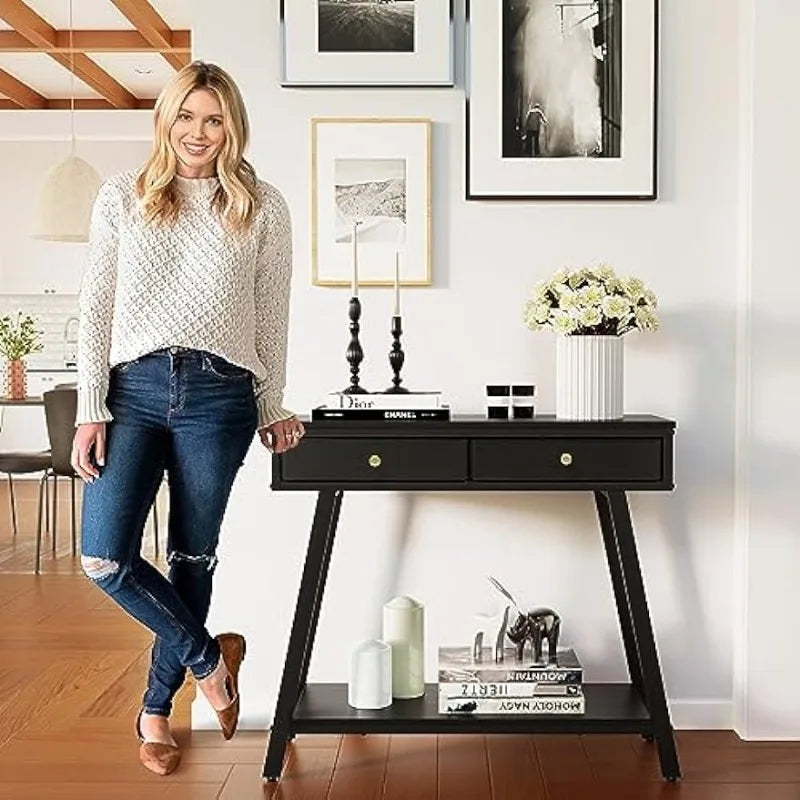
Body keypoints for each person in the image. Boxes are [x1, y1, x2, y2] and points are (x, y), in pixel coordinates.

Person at [71, 60, 305, 776]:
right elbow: (95, 308)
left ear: (231, 126)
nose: (199, 133)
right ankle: (211, 661)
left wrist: (273, 404)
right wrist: (89, 407)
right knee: (104, 556)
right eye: (186, 116)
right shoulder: (122, 198)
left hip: (221, 395)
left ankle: (154, 712)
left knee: (190, 556)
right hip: (131, 390)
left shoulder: (261, 205)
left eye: (214, 119)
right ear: (164, 120)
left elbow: (271, 315)